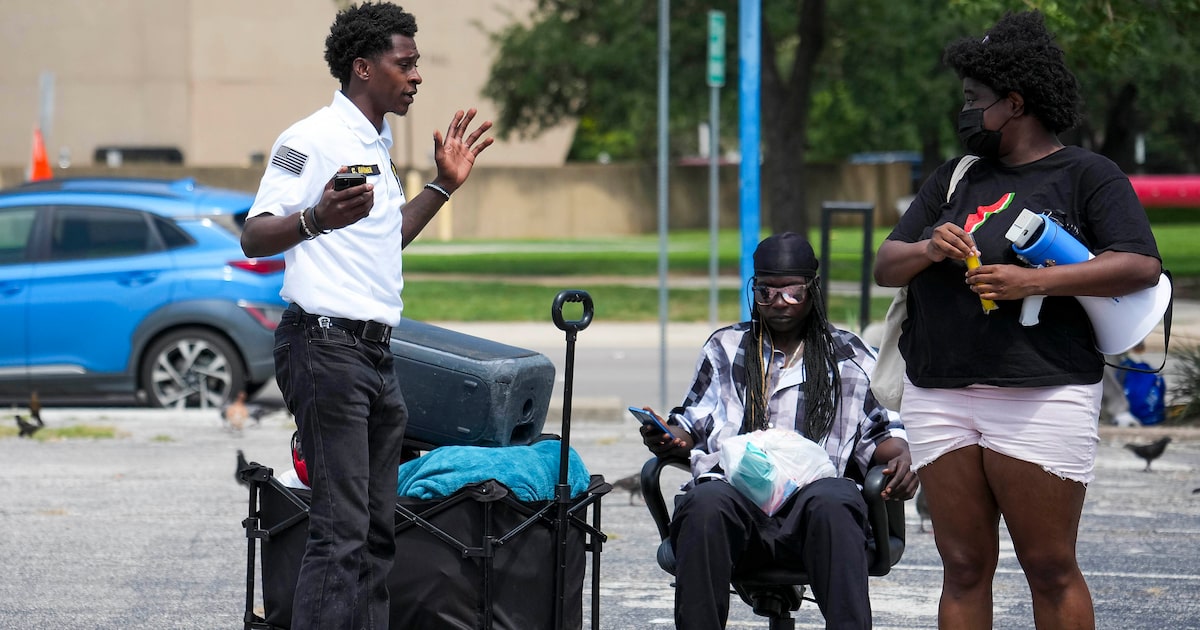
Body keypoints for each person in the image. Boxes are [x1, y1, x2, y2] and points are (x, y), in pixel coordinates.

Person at [873, 11, 1162, 630]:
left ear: (1014, 102)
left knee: (1049, 566)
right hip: (939, 394)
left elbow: (1139, 265)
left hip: (1042, 391)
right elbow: (886, 266)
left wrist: (1032, 281)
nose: (965, 112)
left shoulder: (1087, 174)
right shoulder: (955, 178)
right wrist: (927, 247)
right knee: (964, 567)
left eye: (974, 100)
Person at [240, 3, 492, 629]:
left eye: (416, 65)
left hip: (375, 356)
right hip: (325, 349)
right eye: (404, 64)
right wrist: (314, 219)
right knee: (340, 531)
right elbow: (254, 236)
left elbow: (383, 238)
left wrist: (441, 187)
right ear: (362, 68)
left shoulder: (374, 143)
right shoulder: (311, 139)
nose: (416, 76)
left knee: (379, 531)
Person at [640, 232, 918, 630]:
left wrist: (904, 458)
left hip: (813, 512)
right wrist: (665, 437)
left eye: (792, 292)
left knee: (837, 496)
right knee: (704, 501)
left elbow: (884, 434)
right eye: (766, 292)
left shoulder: (850, 355)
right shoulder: (726, 347)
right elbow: (689, 425)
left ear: (813, 290)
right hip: (736, 506)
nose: (779, 303)